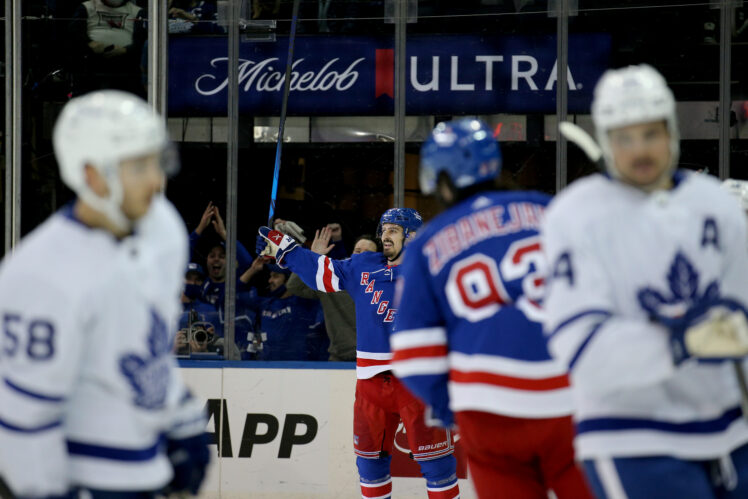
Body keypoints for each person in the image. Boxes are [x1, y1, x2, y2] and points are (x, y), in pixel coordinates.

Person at [542, 64, 748, 498]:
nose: (639, 151)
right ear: (605, 140)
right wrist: (683, 342)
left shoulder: (716, 205)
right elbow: (580, 346)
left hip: (731, 431)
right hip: (630, 436)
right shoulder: (575, 215)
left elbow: (739, 317)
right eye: (624, 138)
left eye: (650, 135)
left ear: (671, 131)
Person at [0, 90, 210, 497]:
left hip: (148, 469)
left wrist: (183, 423)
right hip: (88, 483)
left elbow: (150, 350)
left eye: (155, 161)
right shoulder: (36, 276)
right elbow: (22, 415)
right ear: (93, 176)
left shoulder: (162, 230)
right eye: (138, 167)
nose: (156, 180)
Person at [389, 118, 592, 498]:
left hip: (488, 413)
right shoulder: (551, 211)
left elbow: (414, 357)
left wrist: (451, 406)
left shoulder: (427, 245)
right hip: (570, 402)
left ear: (441, 177)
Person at [257, 209, 460, 499]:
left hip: (419, 385)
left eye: (393, 230)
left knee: (438, 468)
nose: (384, 236)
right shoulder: (363, 266)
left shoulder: (435, 271)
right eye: (383, 229)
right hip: (371, 387)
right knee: (370, 465)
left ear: (412, 236)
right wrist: (285, 249)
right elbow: (320, 272)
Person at [285, 226, 376, 362]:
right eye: (357, 251)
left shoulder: (388, 285)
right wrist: (312, 258)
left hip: (375, 360)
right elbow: (294, 286)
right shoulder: (332, 281)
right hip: (338, 359)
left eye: (367, 252)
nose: (361, 255)